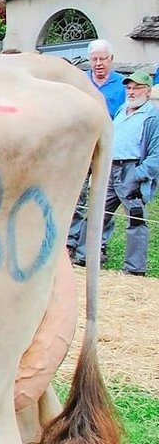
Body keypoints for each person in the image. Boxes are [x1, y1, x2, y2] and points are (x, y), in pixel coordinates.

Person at [73, 71, 159, 276]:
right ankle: (85, 257)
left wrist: (139, 174)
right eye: (129, 88)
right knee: (97, 213)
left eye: (137, 88)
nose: (131, 92)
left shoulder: (152, 116)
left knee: (136, 219)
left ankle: (135, 269)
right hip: (111, 168)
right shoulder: (123, 109)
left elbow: (157, 153)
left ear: (147, 91)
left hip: (132, 169)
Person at [67, 39, 130, 261]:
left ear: (111, 59)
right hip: (83, 147)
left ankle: (97, 246)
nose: (98, 63)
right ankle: (70, 243)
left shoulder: (122, 85)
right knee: (76, 194)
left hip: (107, 148)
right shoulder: (80, 82)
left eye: (102, 59)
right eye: (94, 59)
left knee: (104, 198)